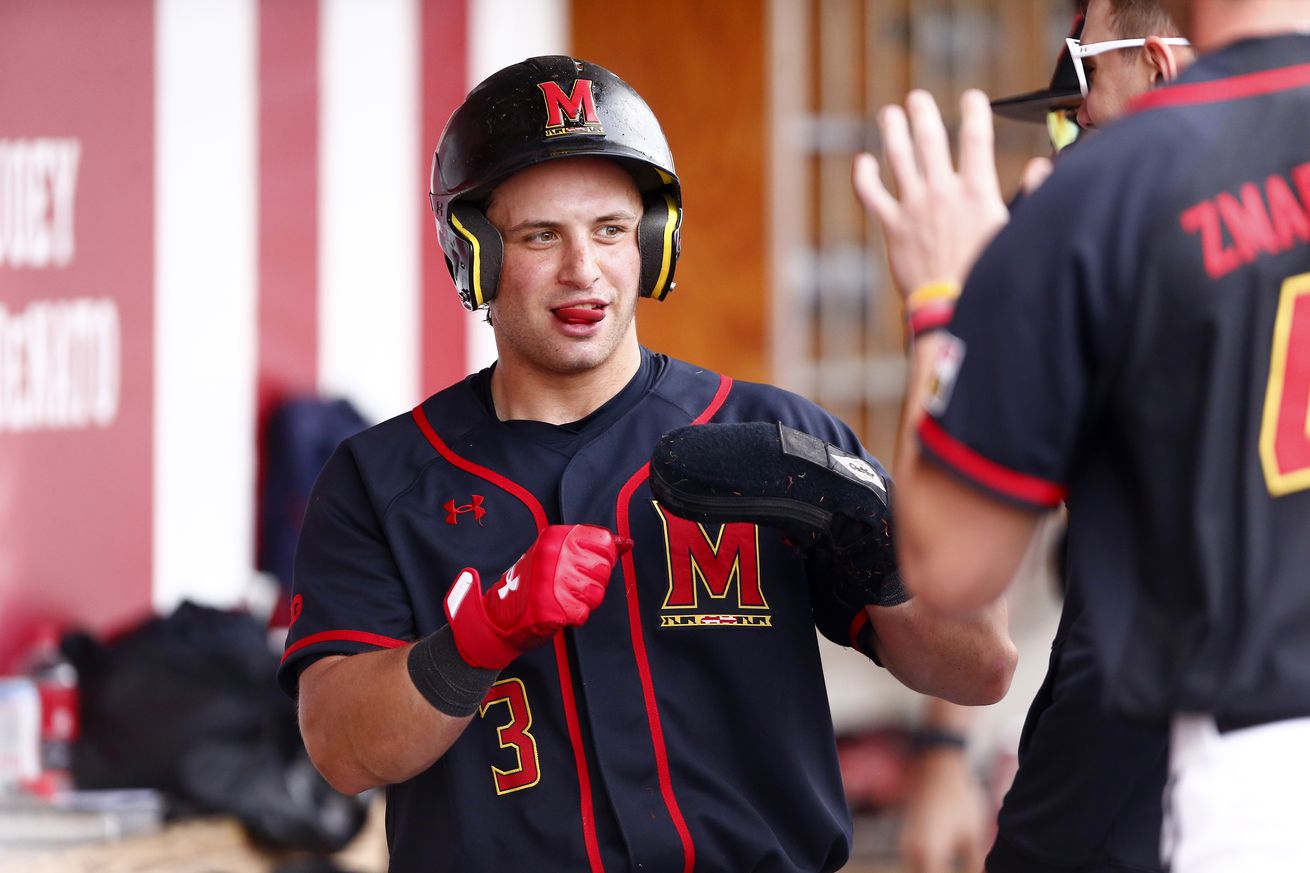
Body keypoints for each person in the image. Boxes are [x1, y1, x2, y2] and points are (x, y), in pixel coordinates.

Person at [278, 56, 1015, 873]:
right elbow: (340, 748)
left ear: (653, 240)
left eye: (610, 229)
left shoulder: (771, 434)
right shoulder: (382, 478)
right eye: (539, 236)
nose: (582, 270)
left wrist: (877, 540)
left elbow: (979, 667)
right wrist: (481, 635)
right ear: (475, 255)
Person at [857, 1, 1310, 871]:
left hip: (1236, 772)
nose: (1073, 124)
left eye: (1085, 83)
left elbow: (953, 562)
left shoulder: (1111, 192)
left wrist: (945, 306)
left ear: (1157, 61)